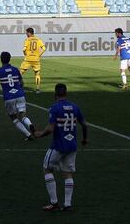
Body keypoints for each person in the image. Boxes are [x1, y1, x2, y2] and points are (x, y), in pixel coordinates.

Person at [33, 83, 88, 212]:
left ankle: (54, 203)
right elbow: (85, 125)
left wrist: (39, 134)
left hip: (58, 146)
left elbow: (51, 129)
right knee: (68, 173)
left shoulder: (54, 108)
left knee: (47, 169)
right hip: (72, 145)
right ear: (66, 94)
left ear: (55, 95)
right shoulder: (75, 107)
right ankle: (67, 204)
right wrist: (85, 139)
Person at [20, 27, 46, 93]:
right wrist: (39, 55)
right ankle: (37, 89)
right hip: (36, 59)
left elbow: (24, 49)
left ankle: (19, 86)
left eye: (26, 33)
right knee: (37, 74)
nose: (26, 34)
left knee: (20, 73)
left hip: (28, 59)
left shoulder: (27, 40)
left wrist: (25, 54)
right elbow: (44, 48)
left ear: (29, 33)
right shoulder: (38, 39)